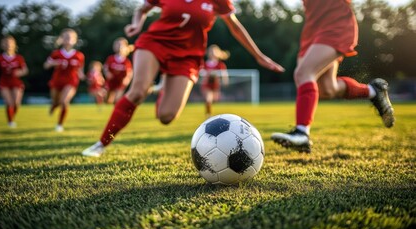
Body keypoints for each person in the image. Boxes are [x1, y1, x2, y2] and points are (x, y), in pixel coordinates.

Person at [82, 0, 284, 157]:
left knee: (166, 117)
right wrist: (136, 24)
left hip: (188, 56)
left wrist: (259, 56)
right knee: (137, 92)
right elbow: (141, 9)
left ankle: (163, 88)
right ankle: (101, 143)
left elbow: (235, 27)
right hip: (155, 44)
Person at [270, 0, 395, 153]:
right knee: (327, 89)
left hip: (336, 20)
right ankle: (373, 90)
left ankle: (302, 132)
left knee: (303, 73)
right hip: (313, 26)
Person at [44, 28, 85, 132]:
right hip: (57, 81)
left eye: (70, 38)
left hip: (71, 82)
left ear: (75, 40)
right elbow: (46, 65)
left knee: (64, 101)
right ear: (61, 39)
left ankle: (59, 125)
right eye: (65, 37)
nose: (68, 40)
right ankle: (53, 106)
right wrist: (54, 63)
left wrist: (84, 76)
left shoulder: (79, 55)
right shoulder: (56, 53)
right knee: (56, 102)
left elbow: (80, 71)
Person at [0, 35, 29, 128]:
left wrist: (19, 72)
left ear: (14, 45)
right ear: (2, 45)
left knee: (16, 103)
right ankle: (10, 121)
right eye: (6, 43)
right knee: (9, 102)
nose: (8, 45)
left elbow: (25, 70)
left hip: (16, 82)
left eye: (10, 43)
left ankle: (11, 116)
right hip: (4, 82)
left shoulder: (19, 58)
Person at [200, 44, 229, 117]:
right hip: (207, 85)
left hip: (215, 85)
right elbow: (201, 72)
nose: (212, 53)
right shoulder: (205, 64)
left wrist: (225, 80)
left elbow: (224, 73)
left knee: (215, 100)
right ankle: (208, 114)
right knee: (208, 99)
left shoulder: (220, 64)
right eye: (211, 51)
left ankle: (210, 112)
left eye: (214, 51)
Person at [104, 37, 134, 104]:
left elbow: (130, 72)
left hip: (120, 82)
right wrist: (107, 73)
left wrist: (127, 79)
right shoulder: (111, 58)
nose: (120, 47)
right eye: (118, 45)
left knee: (117, 99)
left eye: (122, 45)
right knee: (108, 100)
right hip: (111, 81)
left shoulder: (127, 61)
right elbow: (105, 68)